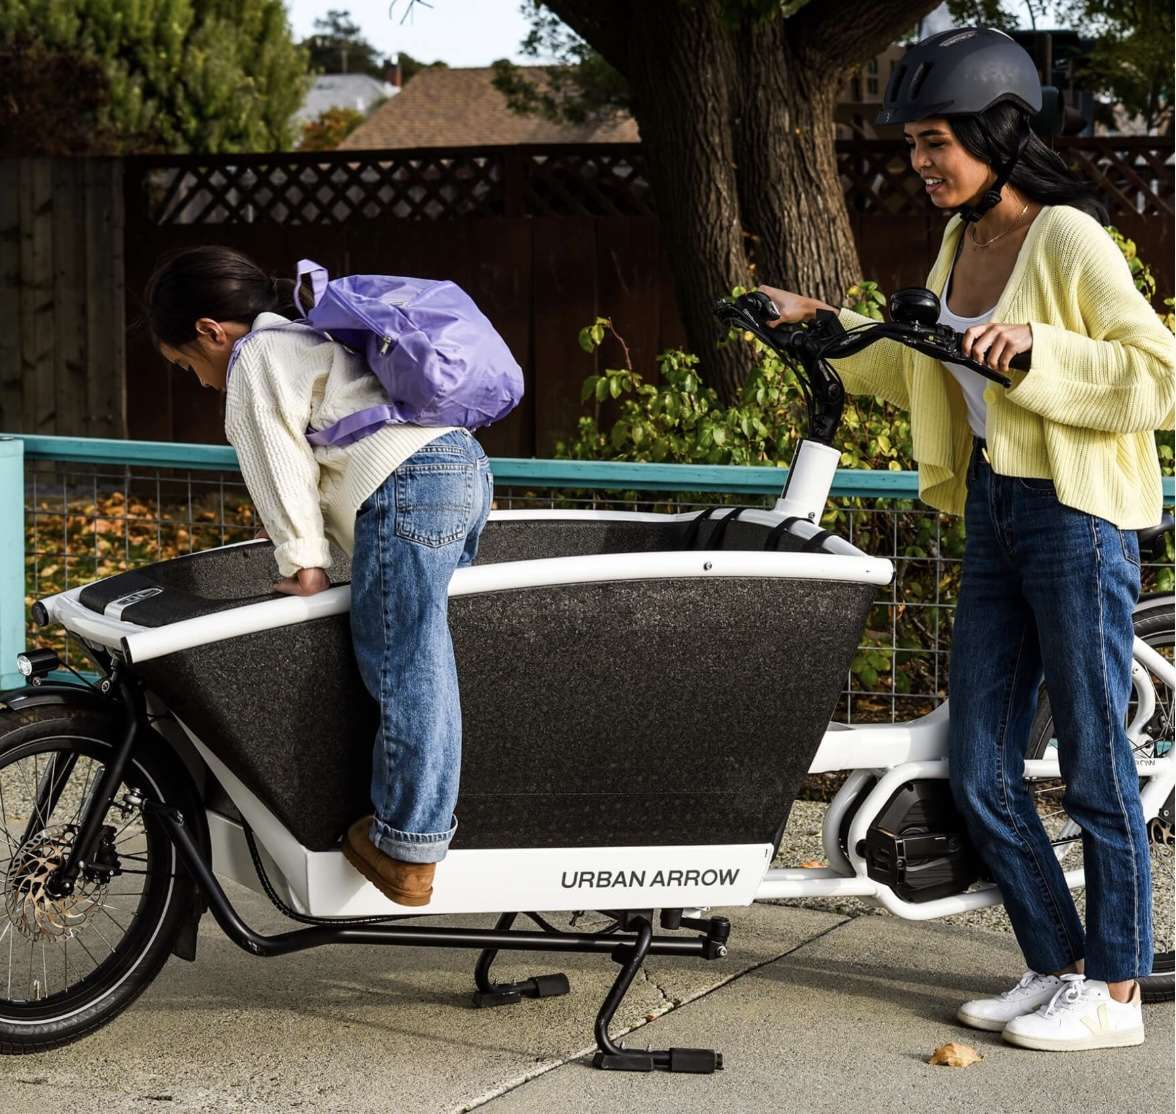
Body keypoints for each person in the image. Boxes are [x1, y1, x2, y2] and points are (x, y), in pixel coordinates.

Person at [759, 27, 1174, 1051]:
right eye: (913, 144)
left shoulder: (1066, 238)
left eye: (934, 141)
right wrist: (822, 326)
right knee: (982, 766)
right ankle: (1058, 964)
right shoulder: (959, 242)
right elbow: (920, 369)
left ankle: (1117, 992)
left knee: (1093, 767)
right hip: (996, 511)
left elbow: (1157, 376)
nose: (919, 161)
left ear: (997, 132)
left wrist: (1042, 345)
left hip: (1076, 516)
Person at [144, 246, 494, 908]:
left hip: (410, 485)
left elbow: (280, 467)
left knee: (405, 663)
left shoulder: (256, 357)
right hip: (462, 468)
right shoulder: (310, 335)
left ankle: (409, 847)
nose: (201, 382)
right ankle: (434, 817)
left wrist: (302, 564)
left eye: (187, 365)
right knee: (426, 651)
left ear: (210, 332)